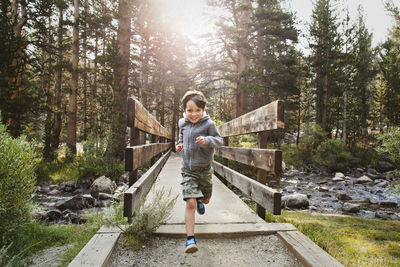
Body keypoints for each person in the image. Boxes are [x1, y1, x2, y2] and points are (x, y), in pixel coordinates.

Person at [175, 90, 223, 253]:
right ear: (184, 110)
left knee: (205, 199)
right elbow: (181, 137)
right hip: (188, 170)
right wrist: (179, 145)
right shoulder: (182, 124)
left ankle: (202, 200)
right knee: (190, 203)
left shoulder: (209, 125)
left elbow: (219, 141)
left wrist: (207, 140)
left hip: (204, 171)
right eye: (190, 110)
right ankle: (190, 240)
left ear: (203, 110)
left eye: (197, 110)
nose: (193, 114)